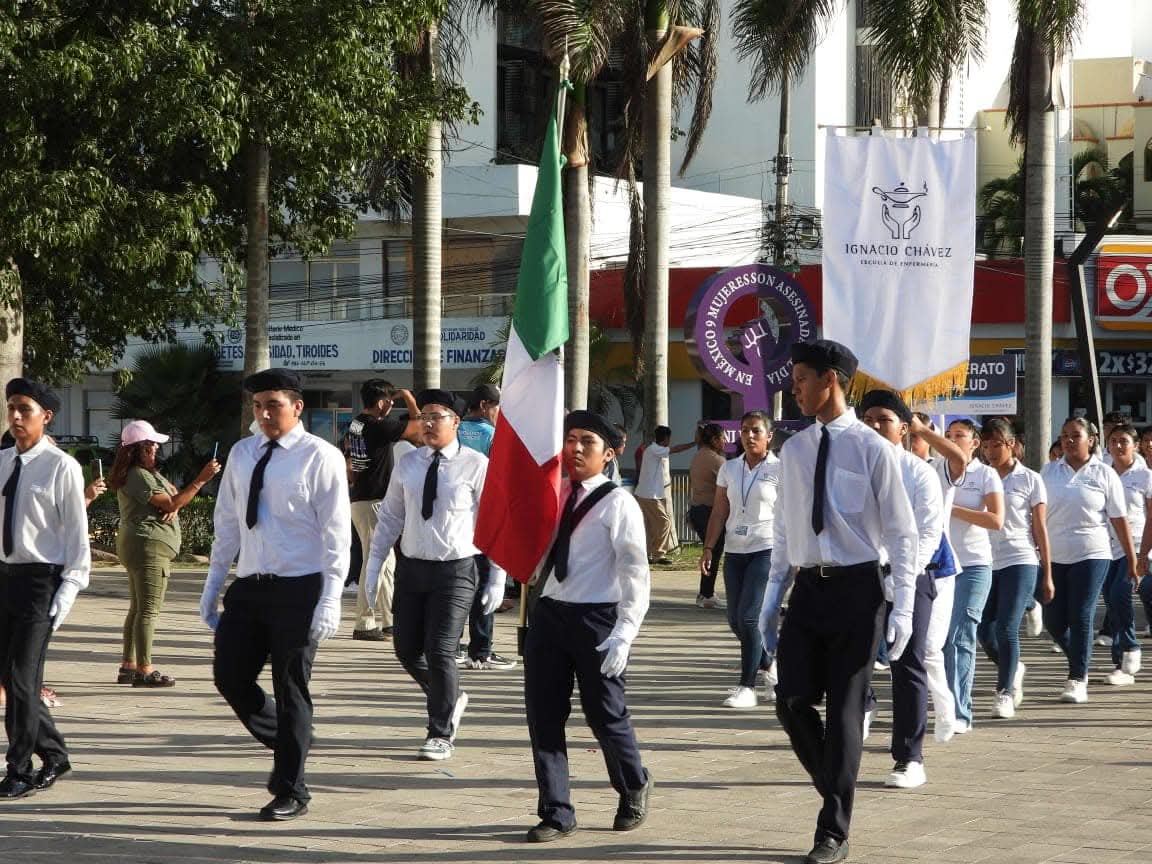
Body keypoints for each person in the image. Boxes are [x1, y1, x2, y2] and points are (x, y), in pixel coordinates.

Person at [758, 341, 917, 864]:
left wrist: (904, 606)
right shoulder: (797, 450)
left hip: (858, 588)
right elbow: (785, 531)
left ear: (831, 380)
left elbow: (901, 531)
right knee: (791, 700)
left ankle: (833, 830)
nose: (794, 388)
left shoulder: (875, 449)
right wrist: (770, 599)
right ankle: (834, 779)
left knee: (847, 706)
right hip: (809, 588)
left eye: (802, 378)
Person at [199, 368, 350, 821]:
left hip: (300, 588)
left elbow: (336, 533)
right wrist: (213, 584)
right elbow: (226, 523)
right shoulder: (243, 453)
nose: (264, 414)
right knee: (230, 676)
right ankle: (292, 741)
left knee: (291, 687)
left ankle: (292, 786)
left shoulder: (320, 457)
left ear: (297, 407)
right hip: (250, 587)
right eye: (258, 406)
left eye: (274, 405)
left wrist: (331, 596)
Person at [523, 410, 652, 843]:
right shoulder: (553, 494)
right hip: (550, 615)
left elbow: (636, 573)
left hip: (598, 619)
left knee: (605, 715)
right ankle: (556, 811)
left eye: (587, 442)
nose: (575, 448)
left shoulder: (619, 503)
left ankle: (633, 782)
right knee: (544, 716)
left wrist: (625, 632)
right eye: (571, 439)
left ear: (610, 454)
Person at [365, 389, 505, 761]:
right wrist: (373, 565)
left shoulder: (476, 465)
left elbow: (495, 523)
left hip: (456, 570)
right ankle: (451, 696)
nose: (426, 423)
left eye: (436, 416)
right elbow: (391, 517)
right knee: (407, 649)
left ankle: (440, 732)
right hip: (413, 568)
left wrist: (497, 576)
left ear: (455, 422)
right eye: (423, 416)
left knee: (441, 650)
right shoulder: (408, 464)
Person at [0, 378, 90, 799]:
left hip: (41, 583)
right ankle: (54, 753)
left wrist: (67, 592)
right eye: (12, 408)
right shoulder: (2, 462)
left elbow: (77, 538)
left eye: (25, 410)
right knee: (9, 676)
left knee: (22, 679)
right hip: (4, 580)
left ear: (46, 416)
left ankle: (18, 769)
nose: (16, 417)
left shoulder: (61, 466)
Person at [859, 390, 943, 790]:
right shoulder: (853, 469)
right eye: (868, 418)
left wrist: (901, 576)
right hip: (861, 577)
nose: (874, 426)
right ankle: (859, 715)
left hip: (912, 576)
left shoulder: (920, 473)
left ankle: (909, 757)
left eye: (884, 420)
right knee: (852, 659)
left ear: (905, 429)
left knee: (907, 665)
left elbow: (928, 533)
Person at [108, 420, 219, 687]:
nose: (156, 449)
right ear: (137, 449)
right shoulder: (138, 474)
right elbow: (172, 500)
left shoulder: (146, 473)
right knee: (148, 611)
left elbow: (174, 499)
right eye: (150, 445)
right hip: (148, 547)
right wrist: (201, 479)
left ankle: (129, 665)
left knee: (137, 609)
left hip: (141, 545)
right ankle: (144, 670)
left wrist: (175, 504)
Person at [1041, 417, 1137, 703]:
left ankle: (1077, 678)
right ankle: (1081, 657)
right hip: (1055, 554)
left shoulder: (1104, 474)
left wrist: (1132, 560)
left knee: (1081, 614)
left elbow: (1119, 520)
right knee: (1054, 620)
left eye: (1076, 435)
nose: (1069, 441)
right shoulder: (1048, 471)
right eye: (1065, 435)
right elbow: (1038, 516)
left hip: (1092, 552)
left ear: (1091, 440)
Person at [699, 413, 777, 708]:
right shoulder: (729, 468)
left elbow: (789, 515)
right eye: (744, 431)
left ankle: (747, 687)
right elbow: (720, 511)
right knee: (735, 620)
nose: (749, 436)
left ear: (769, 436)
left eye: (756, 431)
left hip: (766, 548)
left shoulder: (780, 469)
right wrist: (708, 547)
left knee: (748, 618)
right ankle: (769, 664)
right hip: (734, 550)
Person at [976, 418, 1052, 718]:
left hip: (1020, 557)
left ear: (1010, 444)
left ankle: (1005, 692)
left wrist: (1047, 573)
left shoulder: (1030, 479)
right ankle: (1014, 666)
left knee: (1008, 627)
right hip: (985, 559)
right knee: (984, 629)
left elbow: (1040, 528)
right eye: (985, 445)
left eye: (996, 444)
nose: (991, 451)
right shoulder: (979, 476)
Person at [940, 418, 1004, 734]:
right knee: (939, 640)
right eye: (948, 435)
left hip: (976, 565)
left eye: (960, 436)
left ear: (974, 443)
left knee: (961, 633)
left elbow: (996, 519)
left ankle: (960, 712)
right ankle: (942, 705)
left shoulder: (986, 474)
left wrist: (951, 509)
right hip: (941, 565)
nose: (952, 440)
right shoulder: (935, 470)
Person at [343, 379, 418, 642]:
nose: (392, 405)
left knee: (384, 562)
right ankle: (366, 623)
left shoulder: (355, 424)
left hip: (362, 499)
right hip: (374, 500)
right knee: (377, 561)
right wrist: (409, 398)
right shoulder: (379, 425)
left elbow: (351, 463)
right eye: (390, 401)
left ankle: (388, 621)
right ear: (380, 403)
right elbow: (421, 430)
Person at [455, 384, 515, 671]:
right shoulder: (493, 436)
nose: (498, 413)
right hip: (483, 518)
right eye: (496, 407)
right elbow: (501, 478)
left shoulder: (452, 430)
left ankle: (452, 646)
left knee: (456, 585)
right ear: (484, 404)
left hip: (454, 520)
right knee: (484, 586)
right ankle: (481, 649)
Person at [1100, 423, 1152, 685]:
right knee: (1111, 600)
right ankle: (1121, 663)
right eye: (1114, 441)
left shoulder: (1145, 476)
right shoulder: (1102, 474)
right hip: (1102, 547)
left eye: (1124, 441)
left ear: (1136, 445)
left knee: (1121, 594)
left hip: (1134, 545)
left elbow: (1151, 516)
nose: (1118, 446)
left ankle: (1130, 646)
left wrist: (1144, 555)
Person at [634, 426, 693, 564]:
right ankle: (658, 554)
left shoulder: (652, 450)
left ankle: (647, 554)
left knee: (649, 526)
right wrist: (694, 443)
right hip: (649, 495)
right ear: (666, 438)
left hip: (647, 494)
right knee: (664, 522)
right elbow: (676, 449)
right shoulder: (655, 449)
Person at [689, 423, 728, 609]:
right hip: (707, 512)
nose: (725, 441)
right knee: (712, 550)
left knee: (712, 550)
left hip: (698, 510)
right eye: (722, 438)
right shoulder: (716, 461)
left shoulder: (698, 456)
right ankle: (706, 594)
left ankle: (705, 592)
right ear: (714, 440)